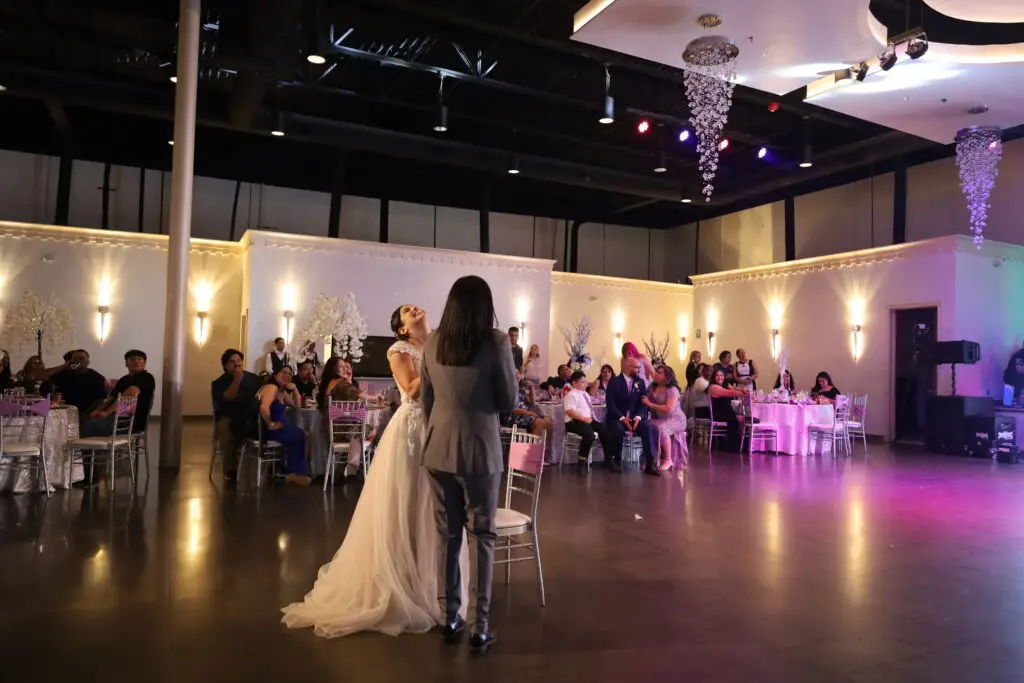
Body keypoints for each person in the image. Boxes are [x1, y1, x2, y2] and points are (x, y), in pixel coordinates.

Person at [282, 303, 470, 639]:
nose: (416, 308)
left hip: (438, 427)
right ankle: (402, 579)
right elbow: (412, 389)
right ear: (401, 327)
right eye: (408, 310)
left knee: (434, 505)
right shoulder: (398, 350)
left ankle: (434, 581)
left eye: (416, 305)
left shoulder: (438, 344)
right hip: (413, 430)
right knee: (409, 500)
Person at [420, 275, 518, 655]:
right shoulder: (495, 341)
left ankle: (449, 618)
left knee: (448, 536)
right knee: (483, 537)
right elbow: (508, 400)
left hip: (438, 450)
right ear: (485, 305)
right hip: (480, 450)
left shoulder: (433, 341)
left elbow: (427, 401)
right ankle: (480, 627)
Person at [211, 349, 262, 481]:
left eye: (239, 361)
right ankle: (231, 468)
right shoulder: (220, 382)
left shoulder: (252, 378)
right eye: (232, 362)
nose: (237, 364)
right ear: (225, 365)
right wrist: (237, 380)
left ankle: (270, 466)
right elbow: (227, 398)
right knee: (228, 434)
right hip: (227, 416)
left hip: (248, 415)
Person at [604, 356, 658, 476]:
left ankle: (650, 463)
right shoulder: (614, 382)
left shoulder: (640, 382)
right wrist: (622, 418)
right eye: (637, 368)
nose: (639, 370)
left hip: (635, 419)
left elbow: (644, 403)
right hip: (618, 418)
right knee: (617, 429)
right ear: (629, 368)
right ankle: (615, 461)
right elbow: (610, 404)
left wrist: (639, 416)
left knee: (648, 427)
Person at [256, 366, 309, 486]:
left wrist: (295, 389)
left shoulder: (281, 392)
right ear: (275, 374)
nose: (287, 375)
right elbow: (263, 408)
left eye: (290, 374)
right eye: (283, 372)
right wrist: (271, 424)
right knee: (299, 435)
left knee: (299, 433)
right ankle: (293, 472)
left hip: (279, 428)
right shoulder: (271, 388)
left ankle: (288, 470)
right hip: (270, 430)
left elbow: (297, 405)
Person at [83, 349, 156, 436]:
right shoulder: (124, 379)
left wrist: (107, 412)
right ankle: (93, 449)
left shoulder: (147, 378)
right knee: (84, 421)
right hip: (114, 418)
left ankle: (97, 448)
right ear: (126, 363)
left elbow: (131, 392)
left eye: (139, 359)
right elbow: (112, 398)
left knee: (87, 427)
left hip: (131, 422)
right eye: (132, 359)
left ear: (145, 363)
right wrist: (97, 411)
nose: (136, 361)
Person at [564, 370, 615, 472]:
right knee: (589, 435)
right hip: (574, 422)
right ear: (574, 383)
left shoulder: (584, 394)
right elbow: (569, 411)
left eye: (586, 381)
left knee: (605, 431)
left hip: (587, 420)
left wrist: (590, 420)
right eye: (582, 382)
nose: (585, 384)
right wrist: (584, 419)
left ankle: (608, 460)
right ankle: (581, 462)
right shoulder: (571, 395)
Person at [643, 365, 688, 470]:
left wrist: (650, 404)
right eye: (656, 372)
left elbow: (668, 409)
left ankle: (668, 460)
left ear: (667, 376)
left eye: (659, 372)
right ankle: (652, 460)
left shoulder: (672, 389)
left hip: (676, 419)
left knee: (662, 429)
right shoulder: (652, 387)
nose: (656, 374)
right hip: (661, 419)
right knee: (647, 425)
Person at [50, 350, 107, 421]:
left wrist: (86, 414)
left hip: (86, 413)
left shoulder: (96, 377)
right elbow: (44, 377)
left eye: (81, 358)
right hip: (63, 412)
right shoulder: (62, 374)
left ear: (87, 363)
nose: (77, 360)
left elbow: (100, 399)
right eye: (74, 358)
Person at [707, 368, 745, 451]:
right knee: (735, 418)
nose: (720, 377)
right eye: (717, 375)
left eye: (721, 375)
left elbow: (734, 388)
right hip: (719, 413)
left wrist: (743, 390)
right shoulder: (713, 387)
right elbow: (730, 392)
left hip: (726, 412)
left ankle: (742, 444)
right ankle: (733, 445)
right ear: (713, 377)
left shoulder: (724, 384)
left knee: (743, 417)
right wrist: (744, 394)